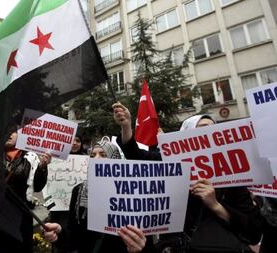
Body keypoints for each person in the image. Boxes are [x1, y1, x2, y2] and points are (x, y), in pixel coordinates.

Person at [112, 102, 262, 253]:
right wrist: (126, 126)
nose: (209, 133)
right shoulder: (170, 162)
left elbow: (254, 232)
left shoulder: (233, 174)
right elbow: (136, 156)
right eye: (203, 128)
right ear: (186, 134)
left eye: (213, 128)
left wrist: (215, 205)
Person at [43, 139, 151, 253]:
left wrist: (138, 248)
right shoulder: (79, 191)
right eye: (93, 155)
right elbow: (74, 237)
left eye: (103, 155)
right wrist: (59, 233)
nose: (96, 159)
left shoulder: (132, 193)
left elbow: (143, 239)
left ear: (115, 160)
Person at [2, 128, 52, 253]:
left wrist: (42, 167)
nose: (8, 134)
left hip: (22, 212)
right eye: (5, 131)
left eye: (11, 132)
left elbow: (38, 186)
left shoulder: (31, 156)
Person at [49, 134, 86, 253]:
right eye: (71, 141)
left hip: (78, 210)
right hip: (60, 209)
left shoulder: (88, 160)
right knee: (60, 239)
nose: (75, 143)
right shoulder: (55, 159)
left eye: (78, 141)